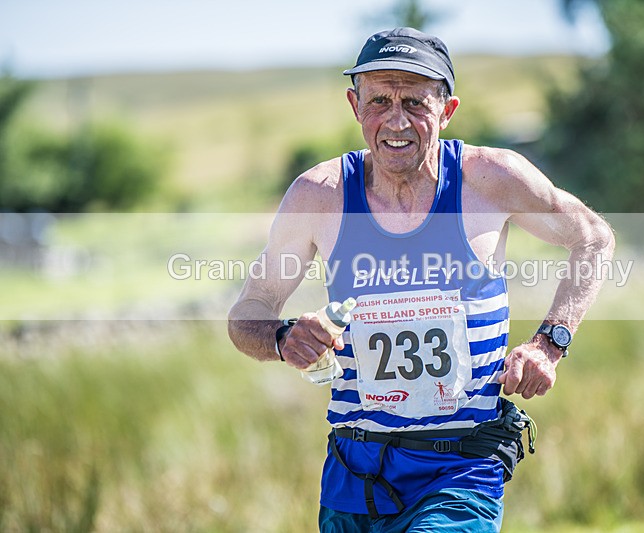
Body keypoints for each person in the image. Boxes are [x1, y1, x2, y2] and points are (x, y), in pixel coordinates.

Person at [228, 27, 614, 532]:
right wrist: (282, 339)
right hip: (354, 473)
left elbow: (593, 238)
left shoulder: (488, 179)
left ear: (447, 110)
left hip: (461, 468)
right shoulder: (319, 195)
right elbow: (247, 314)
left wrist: (549, 343)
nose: (396, 120)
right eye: (379, 101)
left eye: (414, 102)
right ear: (354, 104)